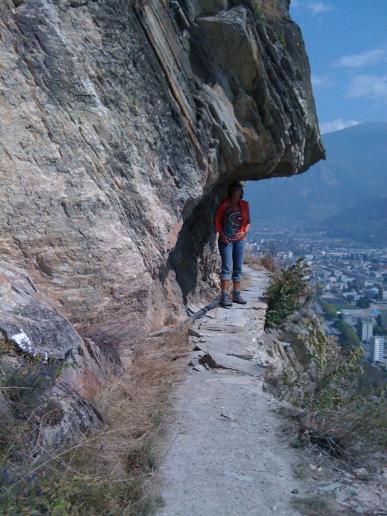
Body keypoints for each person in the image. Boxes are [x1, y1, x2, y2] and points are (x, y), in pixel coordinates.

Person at [214, 181, 251, 308]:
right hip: (226, 240)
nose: (236, 192)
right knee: (227, 267)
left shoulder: (244, 205)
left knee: (238, 268)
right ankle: (224, 296)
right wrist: (221, 234)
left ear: (241, 192)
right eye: (234, 189)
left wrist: (244, 232)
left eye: (238, 189)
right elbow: (217, 221)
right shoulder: (224, 205)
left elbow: (248, 222)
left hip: (239, 240)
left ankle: (236, 294)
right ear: (231, 191)